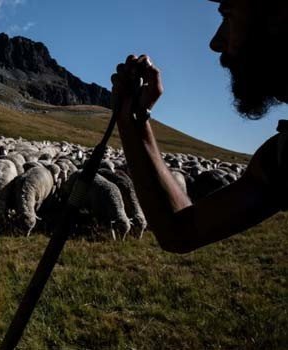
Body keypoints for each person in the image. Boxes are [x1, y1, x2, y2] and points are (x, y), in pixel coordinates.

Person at [110, 0, 288, 253]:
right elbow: (181, 232)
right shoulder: (280, 156)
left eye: (228, 16)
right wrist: (133, 119)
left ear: (281, 14)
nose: (215, 42)